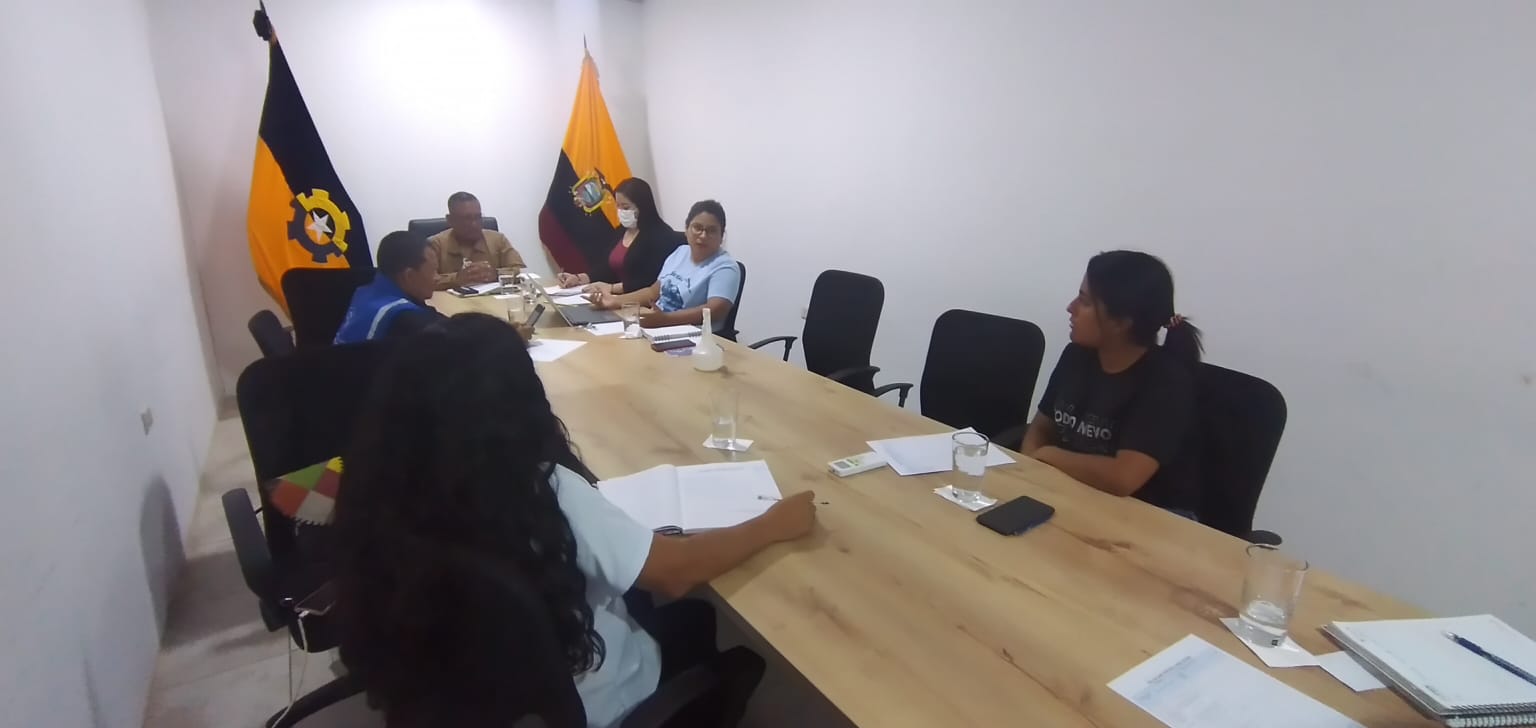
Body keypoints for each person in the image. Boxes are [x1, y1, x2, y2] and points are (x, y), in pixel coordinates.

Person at [331, 313, 817, 727]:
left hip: (461, 686)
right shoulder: (540, 488)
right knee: (698, 619)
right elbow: (675, 573)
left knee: (684, 615)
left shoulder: (385, 483)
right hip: (595, 699)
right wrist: (772, 524)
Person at [1019, 250, 1204, 517]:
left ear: (1120, 323)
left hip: (1148, 518)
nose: (1071, 308)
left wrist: (1048, 455)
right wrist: (1029, 469)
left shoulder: (1166, 381)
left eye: (1084, 302)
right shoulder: (1076, 355)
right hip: (1075, 494)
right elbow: (1040, 428)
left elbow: (1122, 478)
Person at [590, 200, 739, 332]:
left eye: (712, 231)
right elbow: (652, 292)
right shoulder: (681, 252)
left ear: (721, 236)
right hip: (659, 327)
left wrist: (665, 320)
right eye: (697, 228)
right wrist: (614, 301)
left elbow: (715, 310)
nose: (703, 235)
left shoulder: (725, 266)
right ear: (686, 229)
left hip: (693, 336)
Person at [556, 178, 685, 296]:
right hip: (613, 297)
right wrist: (579, 278)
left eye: (626, 207)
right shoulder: (621, 230)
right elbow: (608, 267)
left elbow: (649, 281)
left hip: (640, 302)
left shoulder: (661, 235)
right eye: (618, 206)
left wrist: (611, 288)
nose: (621, 211)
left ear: (643, 206)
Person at [333, 231, 445, 344]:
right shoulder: (404, 317)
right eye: (434, 271)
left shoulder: (364, 292)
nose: (437, 277)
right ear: (409, 276)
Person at [428, 191, 526, 289]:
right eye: (467, 219)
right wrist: (456, 279)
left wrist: (496, 274)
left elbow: (521, 271)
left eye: (478, 217)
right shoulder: (435, 244)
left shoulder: (498, 240)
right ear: (450, 220)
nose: (474, 224)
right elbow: (426, 281)